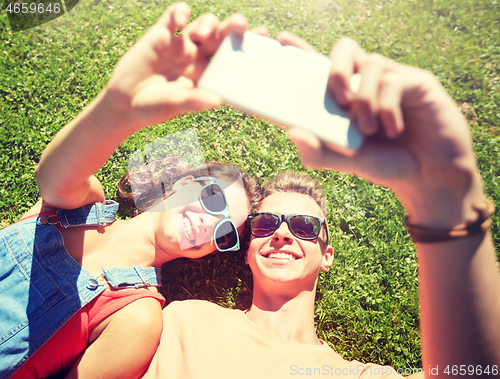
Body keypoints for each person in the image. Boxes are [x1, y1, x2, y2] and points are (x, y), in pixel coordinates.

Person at [140, 5, 500, 379]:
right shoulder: (183, 321)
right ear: (247, 251)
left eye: (304, 226)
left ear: (327, 256)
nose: (281, 233)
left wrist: (445, 196)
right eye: (264, 224)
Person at [1, 6, 261, 379]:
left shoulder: (137, 317)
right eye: (213, 199)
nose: (209, 223)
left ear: (208, 252)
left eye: (223, 232)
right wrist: (117, 108)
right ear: (185, 184)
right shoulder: (82, 204)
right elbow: (52, 176)